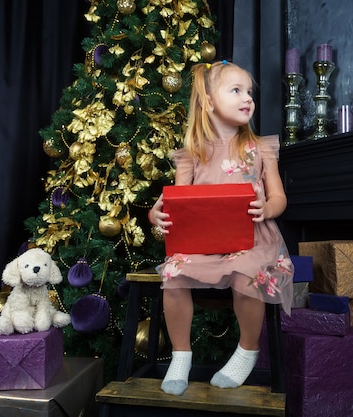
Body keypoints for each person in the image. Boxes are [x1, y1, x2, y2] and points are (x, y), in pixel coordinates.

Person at [148, 60, 294, 396]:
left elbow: (279, 198)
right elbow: (175, 202)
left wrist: (267, 207)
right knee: (174, 273)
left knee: (247, 274)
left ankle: (247, 350)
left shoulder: (260, 148)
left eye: (250, 93)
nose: (248, 99)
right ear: (209, 102)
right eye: (236, 90)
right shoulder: (192, 154)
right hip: (204, 241)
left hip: (253, 239)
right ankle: (181, 354)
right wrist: (156, 214)